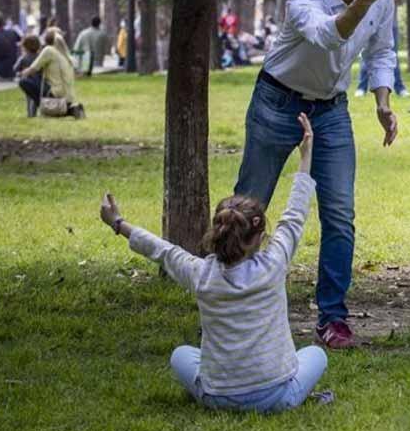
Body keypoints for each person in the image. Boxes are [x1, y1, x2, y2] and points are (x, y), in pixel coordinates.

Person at [234, 0, 396, 350]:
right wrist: (363, 1)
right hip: (277, 103)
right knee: (249, 209)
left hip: (331, 111)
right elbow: (329, 37)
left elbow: (382, 50)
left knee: (340, 215)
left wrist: (382, 101)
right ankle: (234, 305)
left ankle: (333, 317)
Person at [99, 114, 330, 413]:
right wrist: (306, 154)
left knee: (181, 354)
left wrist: (117, 222)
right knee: (315, 354)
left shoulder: (201, 273)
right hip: (278, 397)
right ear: (260, 238)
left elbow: (162, 250)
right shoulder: (273, 265)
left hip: (217, 396)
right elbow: (294, 216)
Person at [356, 0, 406, 100]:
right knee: (365, 57)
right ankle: (361, 87)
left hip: (390, 24)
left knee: (389, 57)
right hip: (368, 23)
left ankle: (398, 87)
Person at [17, 27, 84, 119]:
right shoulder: (66, 54)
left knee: (23, 82)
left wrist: (22, 73)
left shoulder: (49, 50)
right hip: (69, 95)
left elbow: (32, 69)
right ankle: (71, 110)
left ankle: (46, 107)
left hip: (55, 92)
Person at [15, 35, 48, 117]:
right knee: (38, 97)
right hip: (41, 81)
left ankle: (31, 114)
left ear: (24, 46)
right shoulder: (41, 56)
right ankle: (42, 112)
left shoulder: (23, 58)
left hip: (28, 81)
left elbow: (15, 68)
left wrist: (21, 72)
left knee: (29, 98)